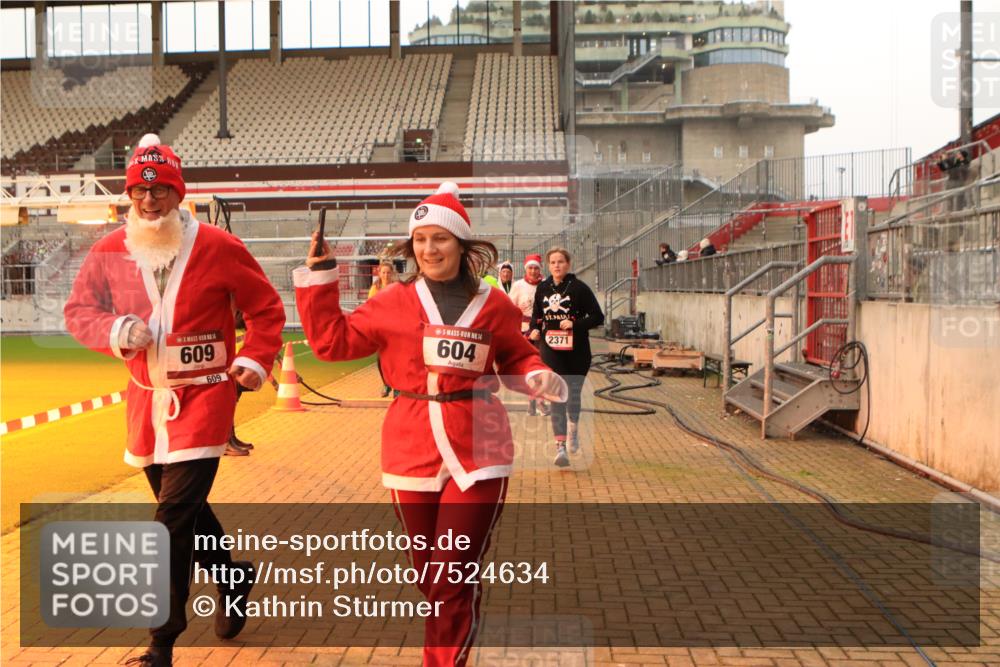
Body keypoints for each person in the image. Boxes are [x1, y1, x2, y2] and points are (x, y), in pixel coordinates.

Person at [295, 182, 566, 666]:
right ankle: (459, 622)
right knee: (432, 578)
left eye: (440, 239)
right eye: (420, 240)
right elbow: (333, 344)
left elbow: (516, 358)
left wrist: (537, 376)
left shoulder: (495, 305)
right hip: (410, 447)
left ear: (462, 245)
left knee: (449, 576)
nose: (428, 249)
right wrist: (320, 278)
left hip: (479, 450)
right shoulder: (392, 302)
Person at [64, 134, 285, 666]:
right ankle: (235, 579)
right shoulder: (108, 251)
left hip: (207, 401)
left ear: (177, 192)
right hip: (146, 405)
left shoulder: (218, 247)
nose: (149, 201)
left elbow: (267, 310)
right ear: (128, 196)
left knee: (171, 521)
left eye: (160, 190)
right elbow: (78, 312)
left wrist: (252, 362)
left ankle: (161, 641)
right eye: (140, 192)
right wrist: (116, 329)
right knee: (184, 513)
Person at [529, 247, 604, 467]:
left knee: (572, 395)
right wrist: (534, 328)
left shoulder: (579, 288)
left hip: (577, 351)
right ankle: (560, 447)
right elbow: (537, 315)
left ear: (568, 264)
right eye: (552, 262)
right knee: (556, 395)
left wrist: (575, 324)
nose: (556, 266)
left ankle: (573, 430)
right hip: (551, 350)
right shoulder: (543, 288)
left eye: (560, 262)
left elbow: (598, 316)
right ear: (548, 265)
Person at [508, 254, 549, 416]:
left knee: (544, 367)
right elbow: (511, 308)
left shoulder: (546, 285)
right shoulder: (518, 286)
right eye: (530, 268)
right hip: (525, 332)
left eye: (536, 268)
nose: (533, 271)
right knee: (530, 368)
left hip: (543, 332)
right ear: (526, 269)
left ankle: (540, 401)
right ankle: (532, 401)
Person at [368, 259, 398, 397]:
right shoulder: (375, 288)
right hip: (380, 328)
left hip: (395, 328)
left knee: (396, 359)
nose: (386, 275)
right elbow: (370, 307)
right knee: (381, 359)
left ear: (392, 274)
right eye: (383, 272)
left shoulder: (396, 287)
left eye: (388, 272)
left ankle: (397, 387)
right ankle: (386, 384)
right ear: (379, 273)